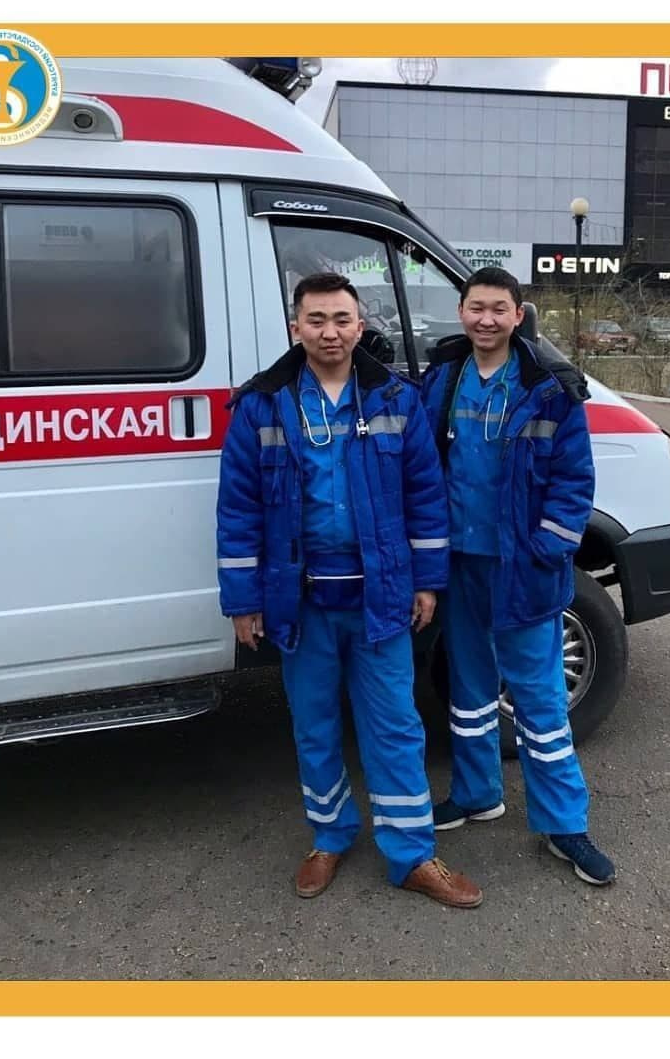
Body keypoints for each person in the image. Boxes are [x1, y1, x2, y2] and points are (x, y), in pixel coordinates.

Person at [216, 272, 482, 909]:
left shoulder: (396, 400)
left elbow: (425, 496)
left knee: (395, 726)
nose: (329, 332)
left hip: (380, 598)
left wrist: (427, 582)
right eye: (316, 320)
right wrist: (243, 600)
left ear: (360, 326)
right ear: (296, 328)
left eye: (341, 319)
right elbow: (238, 509)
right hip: (300, 600)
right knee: (314, 724)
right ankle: (330, 836)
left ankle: (411, 854)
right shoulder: (261, 405)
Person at [419, 266, 616, 886]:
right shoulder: (442, 379)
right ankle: (477, 793)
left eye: (498, 309)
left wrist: (545, 551)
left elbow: (574, 482)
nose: (486, 320)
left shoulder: (550, 388)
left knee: (540, 699)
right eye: (476, 307)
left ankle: (564, 825)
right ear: (461, 311)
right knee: (470, 690)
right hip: (460, 565)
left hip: (523, 570)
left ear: (518, 315)